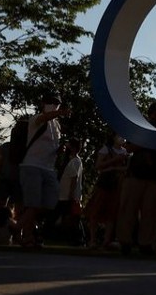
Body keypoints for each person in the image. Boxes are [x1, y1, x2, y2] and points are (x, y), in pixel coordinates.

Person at [15, 93, 71, 247]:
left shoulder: (57, 126)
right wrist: (59, 112)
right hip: (31, 165)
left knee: (50, 202)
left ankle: (17, 227)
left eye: (57, 103)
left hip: (48, 168)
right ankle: (27, 236)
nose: (54, 105)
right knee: (33, 204)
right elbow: (43, 119)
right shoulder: (36, 119)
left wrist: (60, 150)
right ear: (43, 103)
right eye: (51, 102)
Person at [117, 101, 156, 256]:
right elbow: (128, 148)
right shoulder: (139, 128)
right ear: (150, 114)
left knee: (151, 212)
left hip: (155, 176)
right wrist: (148, 141)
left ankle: (146, 243)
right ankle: (125, 241)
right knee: (128, 209)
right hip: (136, 173)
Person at [83, 133, 129, 248]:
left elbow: (127, 168)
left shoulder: (125, 152)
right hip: (104, 182)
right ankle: (92, 240)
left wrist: (116, 167)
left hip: (117, 183)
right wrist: (113, 162)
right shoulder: (106, 149)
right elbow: (98, 165)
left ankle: (106, 240)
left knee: (112, 213)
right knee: (96, 210)